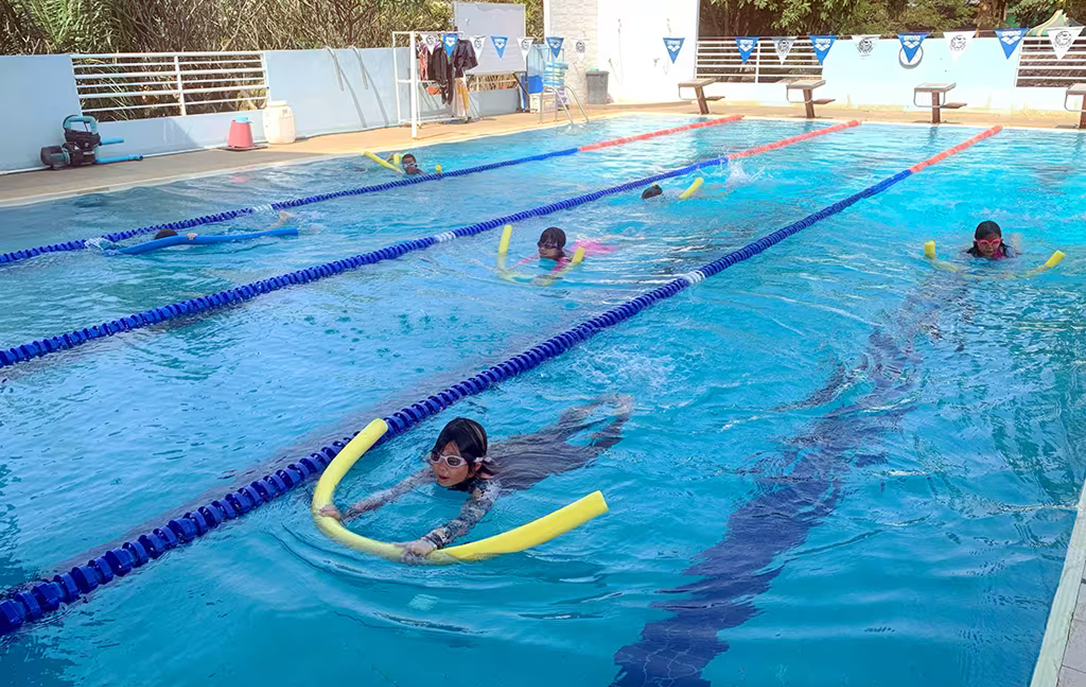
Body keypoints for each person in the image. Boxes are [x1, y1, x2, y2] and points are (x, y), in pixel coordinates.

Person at [319, 395, 634, 563]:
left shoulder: (486, 487)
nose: (441, 467)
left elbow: (466, 521)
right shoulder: (434, 469)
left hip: (528, 465)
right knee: (549, 432)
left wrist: (430, 541)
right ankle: (589, 407)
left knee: (583, 452)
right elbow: (389, 493)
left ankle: (620, 418)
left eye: (452, 461)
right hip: (502, 450)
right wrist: (344, 515)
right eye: (436, 455)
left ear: (471, 466)